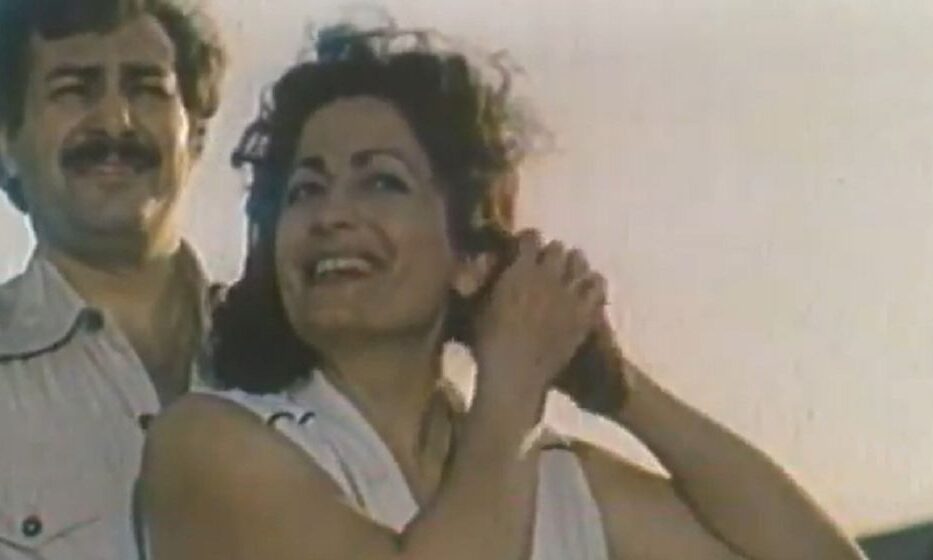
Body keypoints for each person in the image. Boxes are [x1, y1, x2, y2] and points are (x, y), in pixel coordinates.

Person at [142, 26, 866, 560]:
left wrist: (618, 390)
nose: (331, 215)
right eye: (305, 189)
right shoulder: (210, 444)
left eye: (381, 181)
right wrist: (512, 387)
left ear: (471, 259)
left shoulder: (555, 481)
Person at [0, 0, 226, 558]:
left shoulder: (299, 354)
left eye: (147, 89)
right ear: (7, 143)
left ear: (196, 134)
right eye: (73, 90)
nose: (115, 122)